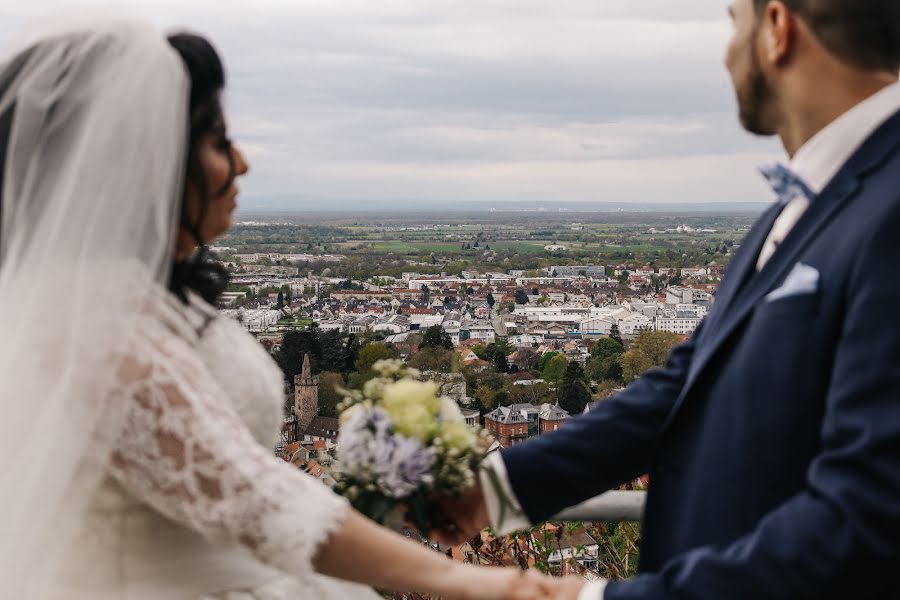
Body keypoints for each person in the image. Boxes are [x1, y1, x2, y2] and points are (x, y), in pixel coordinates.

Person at [0, 15, 556, 600]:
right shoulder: (96, 332)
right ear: (147, 164)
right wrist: (475, 581)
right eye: (217, 142)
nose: (241, 162)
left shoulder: (144, 302)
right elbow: (258, 499)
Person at [436, 1, 900, 598]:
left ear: (777, 29)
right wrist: (500, 487)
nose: (727, 51)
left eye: (734, 21)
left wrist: (596, 597)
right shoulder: (806, 203)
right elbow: (690, 382)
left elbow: (871, 513)